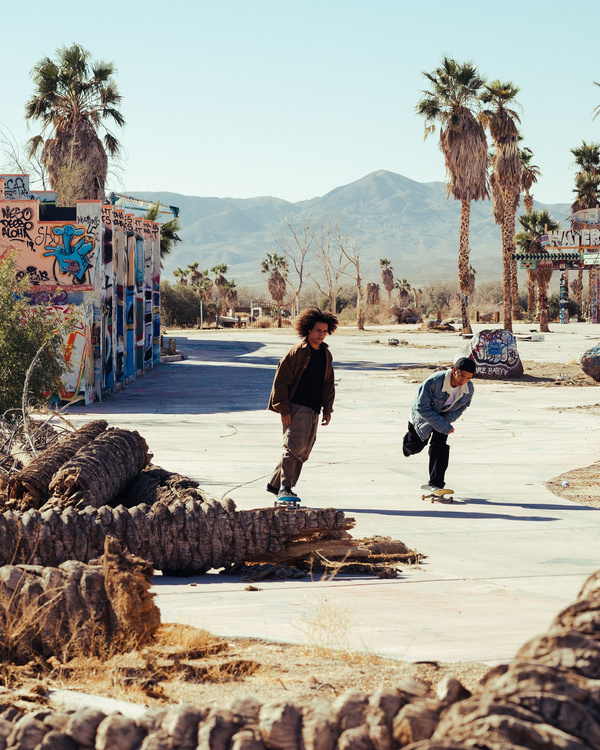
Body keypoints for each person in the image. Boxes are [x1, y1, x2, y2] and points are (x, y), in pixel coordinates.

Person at [267, 307, 338, 502]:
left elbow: (328, 384)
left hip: (314, 408)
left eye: (325, 331)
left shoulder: (325, 354)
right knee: (293, 447)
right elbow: (281, 382)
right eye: (318, 330)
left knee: (303, 450)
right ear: (309, 329)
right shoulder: (297, 352)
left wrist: (327, 409)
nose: (321, 334)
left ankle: (274, 485)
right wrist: (284, 410)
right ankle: (285, 487)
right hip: (296, 406)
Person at [402, 356, 476, 491]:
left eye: (468, 378)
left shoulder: (469, 388)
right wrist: (443, 424)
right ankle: (407, 445)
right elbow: (421, 407)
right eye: (462, 376)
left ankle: (436, 483)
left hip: (443, 418)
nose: (464, 381)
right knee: (415, 447)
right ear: (455, 370)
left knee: (440, 447)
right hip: (422, 418)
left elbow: (462, 407)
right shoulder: (434, 381)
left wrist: (446, 420)